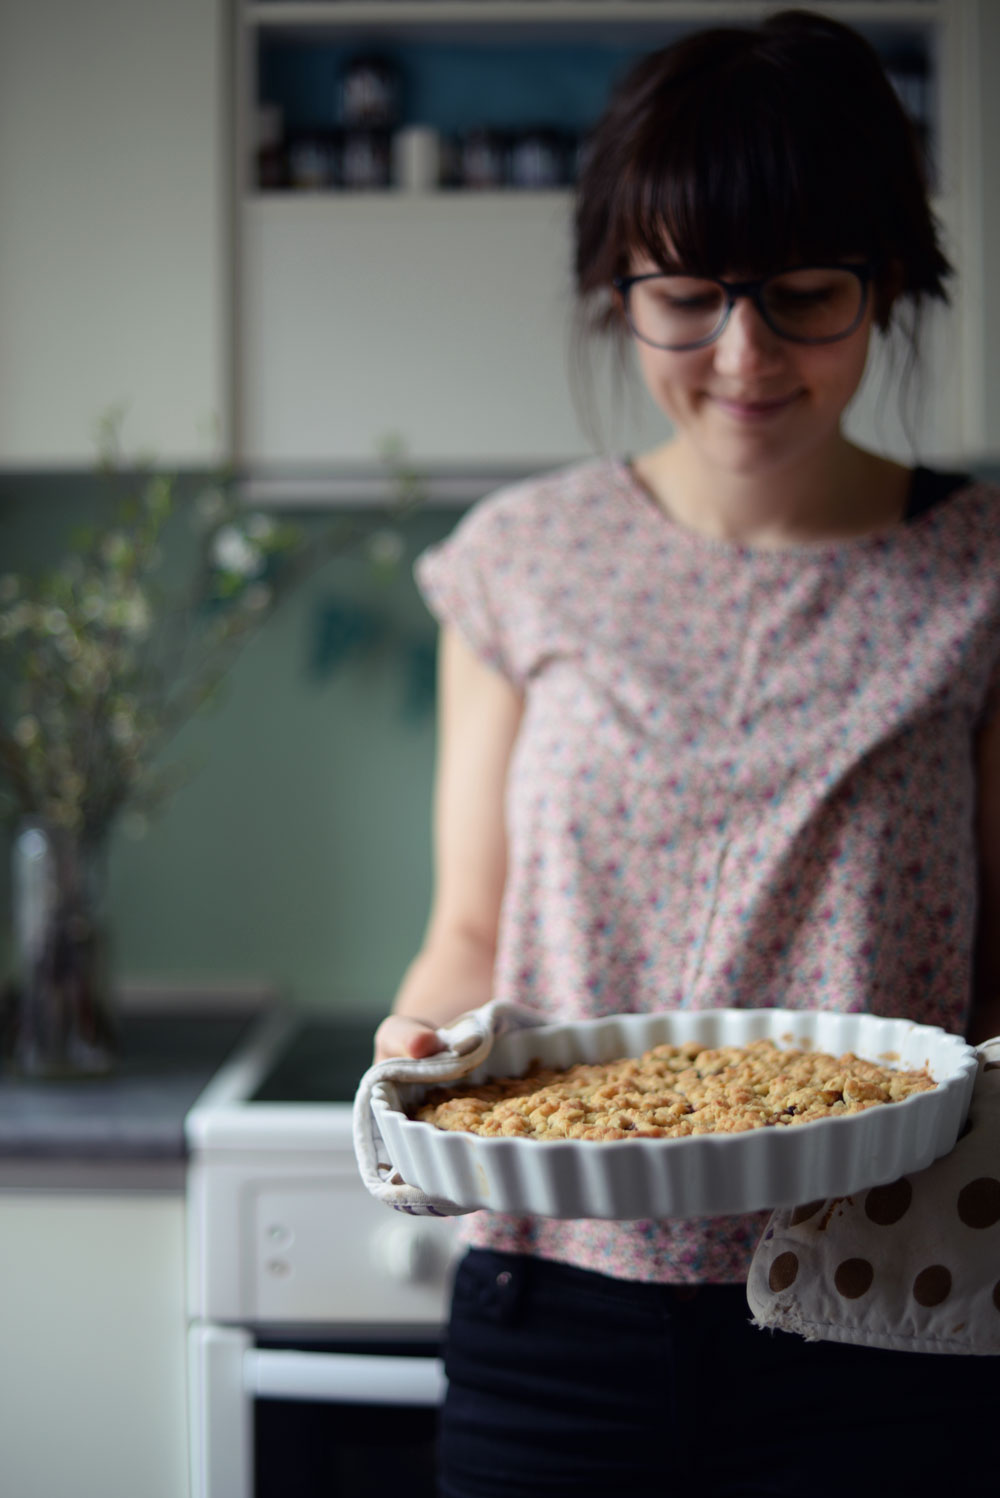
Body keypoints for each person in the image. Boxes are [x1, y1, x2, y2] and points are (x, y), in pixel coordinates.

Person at [373, 10, 1000, 1496]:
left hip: (888, 1315)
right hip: (554, 1318)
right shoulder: (519, 562)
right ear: (619, 291)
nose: (745, 355)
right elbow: (473, 923)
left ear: (891, 282)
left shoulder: (983, 576)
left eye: (802, 294)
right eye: (688, 297)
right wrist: (415, 1062)